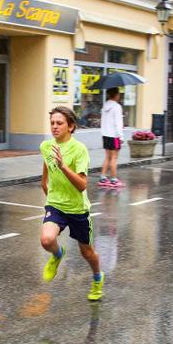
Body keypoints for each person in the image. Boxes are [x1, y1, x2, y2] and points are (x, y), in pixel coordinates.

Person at [40, 107, 104, 301]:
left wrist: (63, 166)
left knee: (87, 252)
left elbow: (82, 185)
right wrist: (50, 199)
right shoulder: (46, 147)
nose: (54, 127)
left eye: (59, 123)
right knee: (46, 240)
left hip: (77, 209)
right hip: (56, 205)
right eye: (52, 123)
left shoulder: (80, 150)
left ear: (71, 126)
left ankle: (97, 278)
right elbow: (45, 179)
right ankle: (58, 254)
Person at [98, 88, 126, 187]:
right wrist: (121, 137)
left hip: (105, 135)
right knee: (114, 158)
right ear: (116, 95)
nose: (120, 96)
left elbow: (102, 122)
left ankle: (102, 178)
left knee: (107, 157)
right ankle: (114, 180)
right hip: (114, 136)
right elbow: (118, 123)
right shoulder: (117, 107)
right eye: (119, 94)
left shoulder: (104, 106)